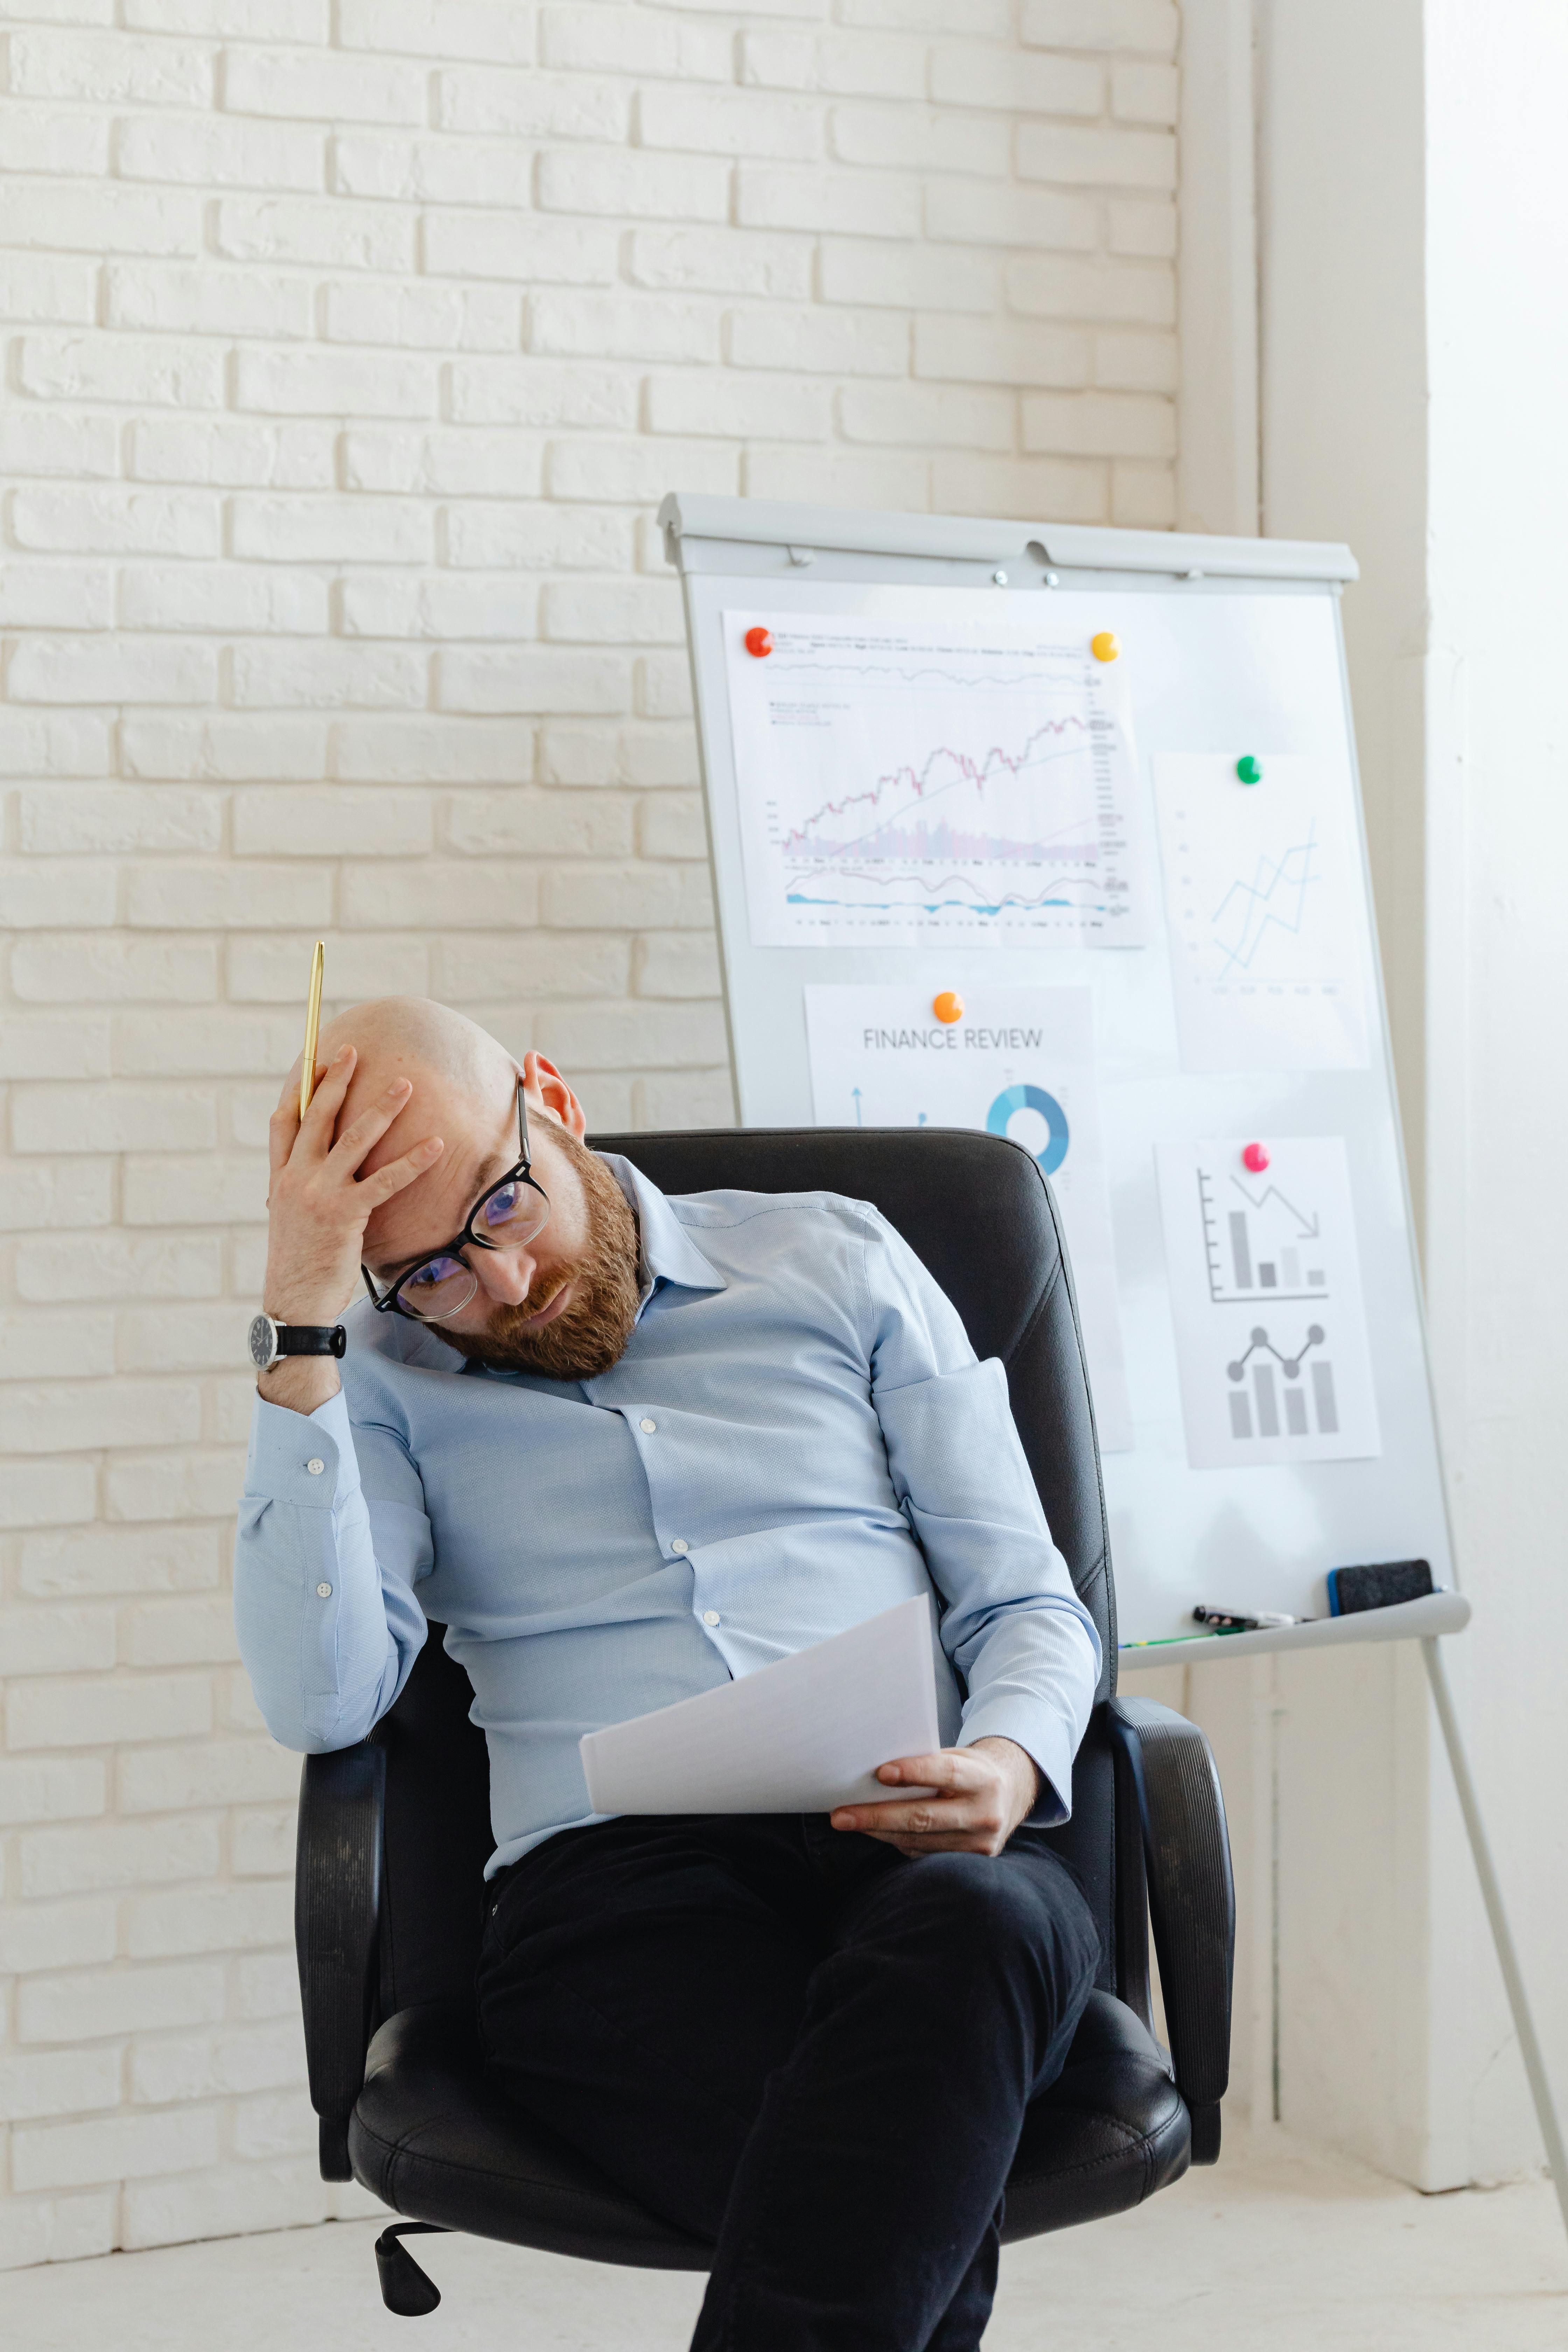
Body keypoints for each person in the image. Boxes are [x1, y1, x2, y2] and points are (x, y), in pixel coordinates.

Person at [236, 995, 1101, 2352]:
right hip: (621, 1915)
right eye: (428, 1276)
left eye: (502, 1208)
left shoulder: (837, 1260)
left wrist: (1006, 1760)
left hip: (926, 1856)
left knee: (974, 1952)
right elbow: (322, 1701)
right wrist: (302, 1336)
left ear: (554, 1101)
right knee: (899, 2158)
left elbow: (1027, 1601)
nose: (500, 1290)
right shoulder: (391, 1387)